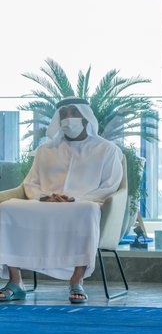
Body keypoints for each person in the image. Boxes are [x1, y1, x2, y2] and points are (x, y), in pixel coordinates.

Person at [0, 97, 123, 304]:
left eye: (74, 112)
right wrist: (44, 197)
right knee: (6, 208)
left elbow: (110, 186)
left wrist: (75, 199)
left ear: (85, 117)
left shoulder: (107, 149)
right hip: (44, 204)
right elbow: (30, 183)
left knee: (88, 210)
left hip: (81, 205)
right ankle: (16, 281)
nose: (68, 117)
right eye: (63, 114)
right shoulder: (45, 150)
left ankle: (77, 279)